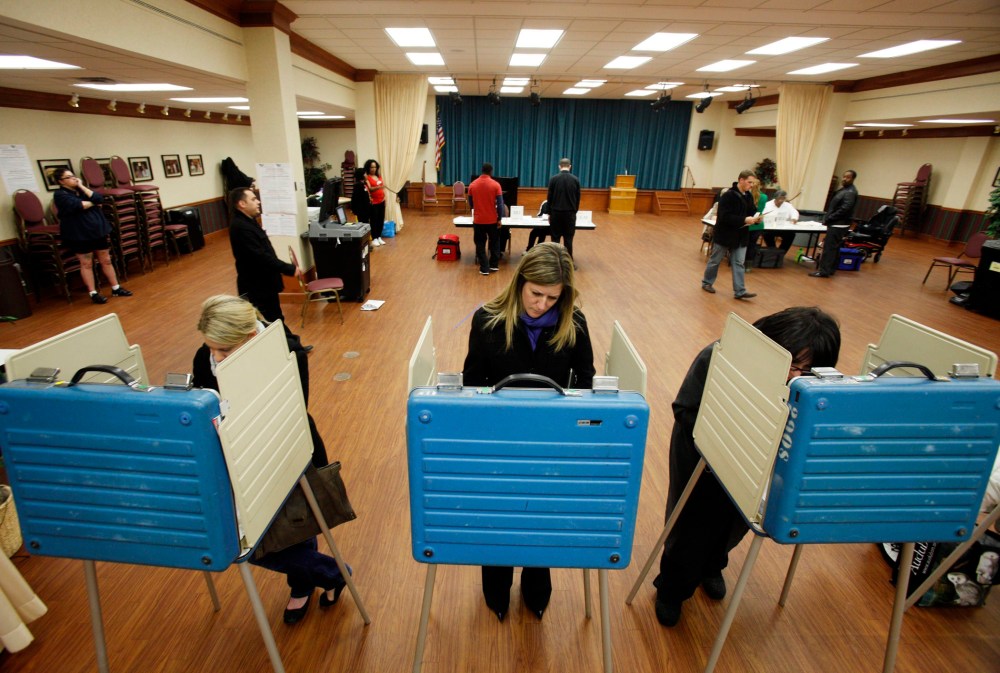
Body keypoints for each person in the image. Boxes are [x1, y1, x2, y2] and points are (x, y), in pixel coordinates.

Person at [653, 306, 841, 627]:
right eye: (792, 363)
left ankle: (714, 565)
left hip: (757, 469)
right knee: (693, 531)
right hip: (706, 462)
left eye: (807, 370)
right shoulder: (720, 354)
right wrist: (726, 437)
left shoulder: (807, 386)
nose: (796, 376)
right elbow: (685, 409)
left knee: (734, 525)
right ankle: (671, 589)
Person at [192, 295, 348, 624]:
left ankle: (303, 582)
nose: (215, 359)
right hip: (236, 457)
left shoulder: (287, 351)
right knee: (246, 544)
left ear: (250, 339)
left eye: (223, 351)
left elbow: (289, 411)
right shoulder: (203, 358)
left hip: (287, 447)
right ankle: (331, 573)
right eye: (211, 349)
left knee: (296, 522)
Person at [462, 242, 596, 622]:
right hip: (499, 441)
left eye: (553, 298)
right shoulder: (487, 320)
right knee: (500, 516)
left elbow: (585, 385)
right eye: (536, 293)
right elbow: (472, 384)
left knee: (543, 516)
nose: (542, 304)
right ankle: (496, 589)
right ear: (520, 283)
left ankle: (537, 588)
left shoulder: (575, 324)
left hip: (552, 443)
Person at [227, 187, 306, 339]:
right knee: (269, 320)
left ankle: (292, 345)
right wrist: (288, 269)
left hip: (265, 282)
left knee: (274, 317)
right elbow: (261, 257)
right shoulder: (240, 227)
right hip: (256, 285)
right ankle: (292, 347)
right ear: (242, 204)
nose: (258, 202)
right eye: (253, 199)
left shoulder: (249, 222)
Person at [51, 167, 132, 304]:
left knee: (106, 259)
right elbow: (78, 206)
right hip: (79, 234)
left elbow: (99, 198)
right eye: (69, 177)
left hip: (97, 231)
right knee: (87, 263)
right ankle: (93, 293)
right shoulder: (60, 195)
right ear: (61, 181)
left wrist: (82, 186)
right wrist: (93, 203)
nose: (74, 179)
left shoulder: (81, 190)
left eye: (73, 176)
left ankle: (116, 288)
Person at [701, 170, 759, 300]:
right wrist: (744, 220)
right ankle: (707, 282)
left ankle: (740, 291)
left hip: (741, 236)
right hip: (725, 235)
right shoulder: (728, 196)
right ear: (741, 180)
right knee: (715, 260)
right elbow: (724, 216)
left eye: (752, 183)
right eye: (749, 182)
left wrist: (756, 218)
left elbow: (752, 211)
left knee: (739, 263)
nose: (751, 185)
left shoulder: (748, 196)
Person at [811, 170, 858, 278]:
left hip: (839, 224)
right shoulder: (844, 190)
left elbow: (844, 209)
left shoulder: (850, 192)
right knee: (835, 248)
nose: (845, 179)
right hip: (837, 223)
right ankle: (831, 269)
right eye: (844, 176)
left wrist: (830, 218)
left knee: (829, 248)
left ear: (853, 179)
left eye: (848, 177)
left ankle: (824, 271)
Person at [468, 162, 504, 275]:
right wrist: (499, 218)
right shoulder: (496, 185)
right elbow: (500, 204)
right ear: (491, 171)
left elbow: (470, 203)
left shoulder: (472, 185)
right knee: (494, 243)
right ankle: (494, 265)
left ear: (481, 171)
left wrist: (478, 209)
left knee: (480, 243)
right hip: (492, 220)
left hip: (478, 220)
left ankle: (484, 268)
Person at [546, 158, 581, 259]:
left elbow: (549, 198)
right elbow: (578, 198)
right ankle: (569, 261)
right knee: (568, 239)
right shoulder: (575, 180)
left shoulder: (553, 179)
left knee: (555, 239)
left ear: (559, 166)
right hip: (570, 214)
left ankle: (555, 261)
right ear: (570, 166)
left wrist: (549, 213)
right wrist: (574, 211)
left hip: (556, 213)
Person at [744, 176, 767, 270]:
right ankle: (748, 266)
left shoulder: (746, 196)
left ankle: (739, 263)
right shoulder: (764, 197)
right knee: (752, 245)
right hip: (758, 224)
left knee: (743, 244)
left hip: (747, 223)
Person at [363, 159, 386, 247]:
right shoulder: (367, 177)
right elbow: (370, 189)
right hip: (374, 203)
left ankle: (379, 236)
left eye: (375, 167)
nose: (373, 169)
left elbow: (382, 188)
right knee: (374, 220)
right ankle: (374, 238)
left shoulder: (379, 176)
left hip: (381, 201)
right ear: (368, 168)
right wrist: (379, 187)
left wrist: (384, 197)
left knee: (381, 219)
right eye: (371, 167)